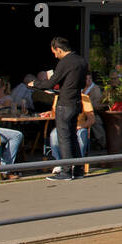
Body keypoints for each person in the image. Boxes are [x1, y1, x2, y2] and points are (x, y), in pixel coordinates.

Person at [34, 36, 88, 182]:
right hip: (76, 102)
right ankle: (78, 169)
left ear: (58, 49)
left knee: (64, 138)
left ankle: (65, 171)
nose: (55, 55)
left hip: (65, 103)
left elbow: (51, 82)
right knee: (73, 137)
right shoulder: (82, 61)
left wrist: (35, 84)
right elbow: (82, 83)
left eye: (54, 52)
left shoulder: (64, 62)